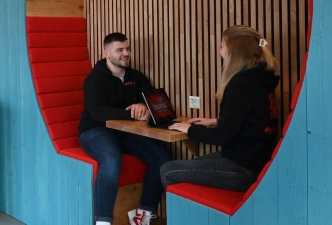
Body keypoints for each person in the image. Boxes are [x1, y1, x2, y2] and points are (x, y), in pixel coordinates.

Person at [160, 25, 280, 192]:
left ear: (234, 50)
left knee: (168, 171)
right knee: (181, 167)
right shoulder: (261, 78)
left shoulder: (241, 84)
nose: (220, 51)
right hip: (257, 161)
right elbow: (254, 119)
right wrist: (214, 121)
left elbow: (222, 138)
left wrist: (189, 129)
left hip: (243, 168)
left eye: (222, 46)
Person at [78, 32, 171, 225]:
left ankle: (142, 216)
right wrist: (131, 113)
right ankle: (103, 222)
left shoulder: (136, 77)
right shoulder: (94, 79)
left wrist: (144, 107)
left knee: (163, 159)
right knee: (112, 160)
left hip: (126, 132)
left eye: (127, 49)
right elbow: (98, 112)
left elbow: (153, 102)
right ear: (107, 53)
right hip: (95, 131)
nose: (126, 53)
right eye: (119, 50)